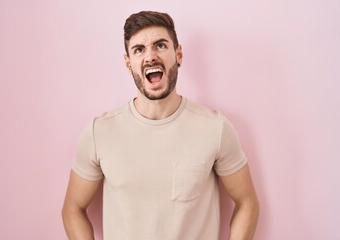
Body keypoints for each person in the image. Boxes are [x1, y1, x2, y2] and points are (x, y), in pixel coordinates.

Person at [62, 11, 259, 240]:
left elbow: (247, 202)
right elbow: (72, 209)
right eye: (139, 50)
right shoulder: (99, 133)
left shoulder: (215, 128)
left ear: (178, 54)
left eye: (161, 45)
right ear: (128, 64)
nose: (150, 56)